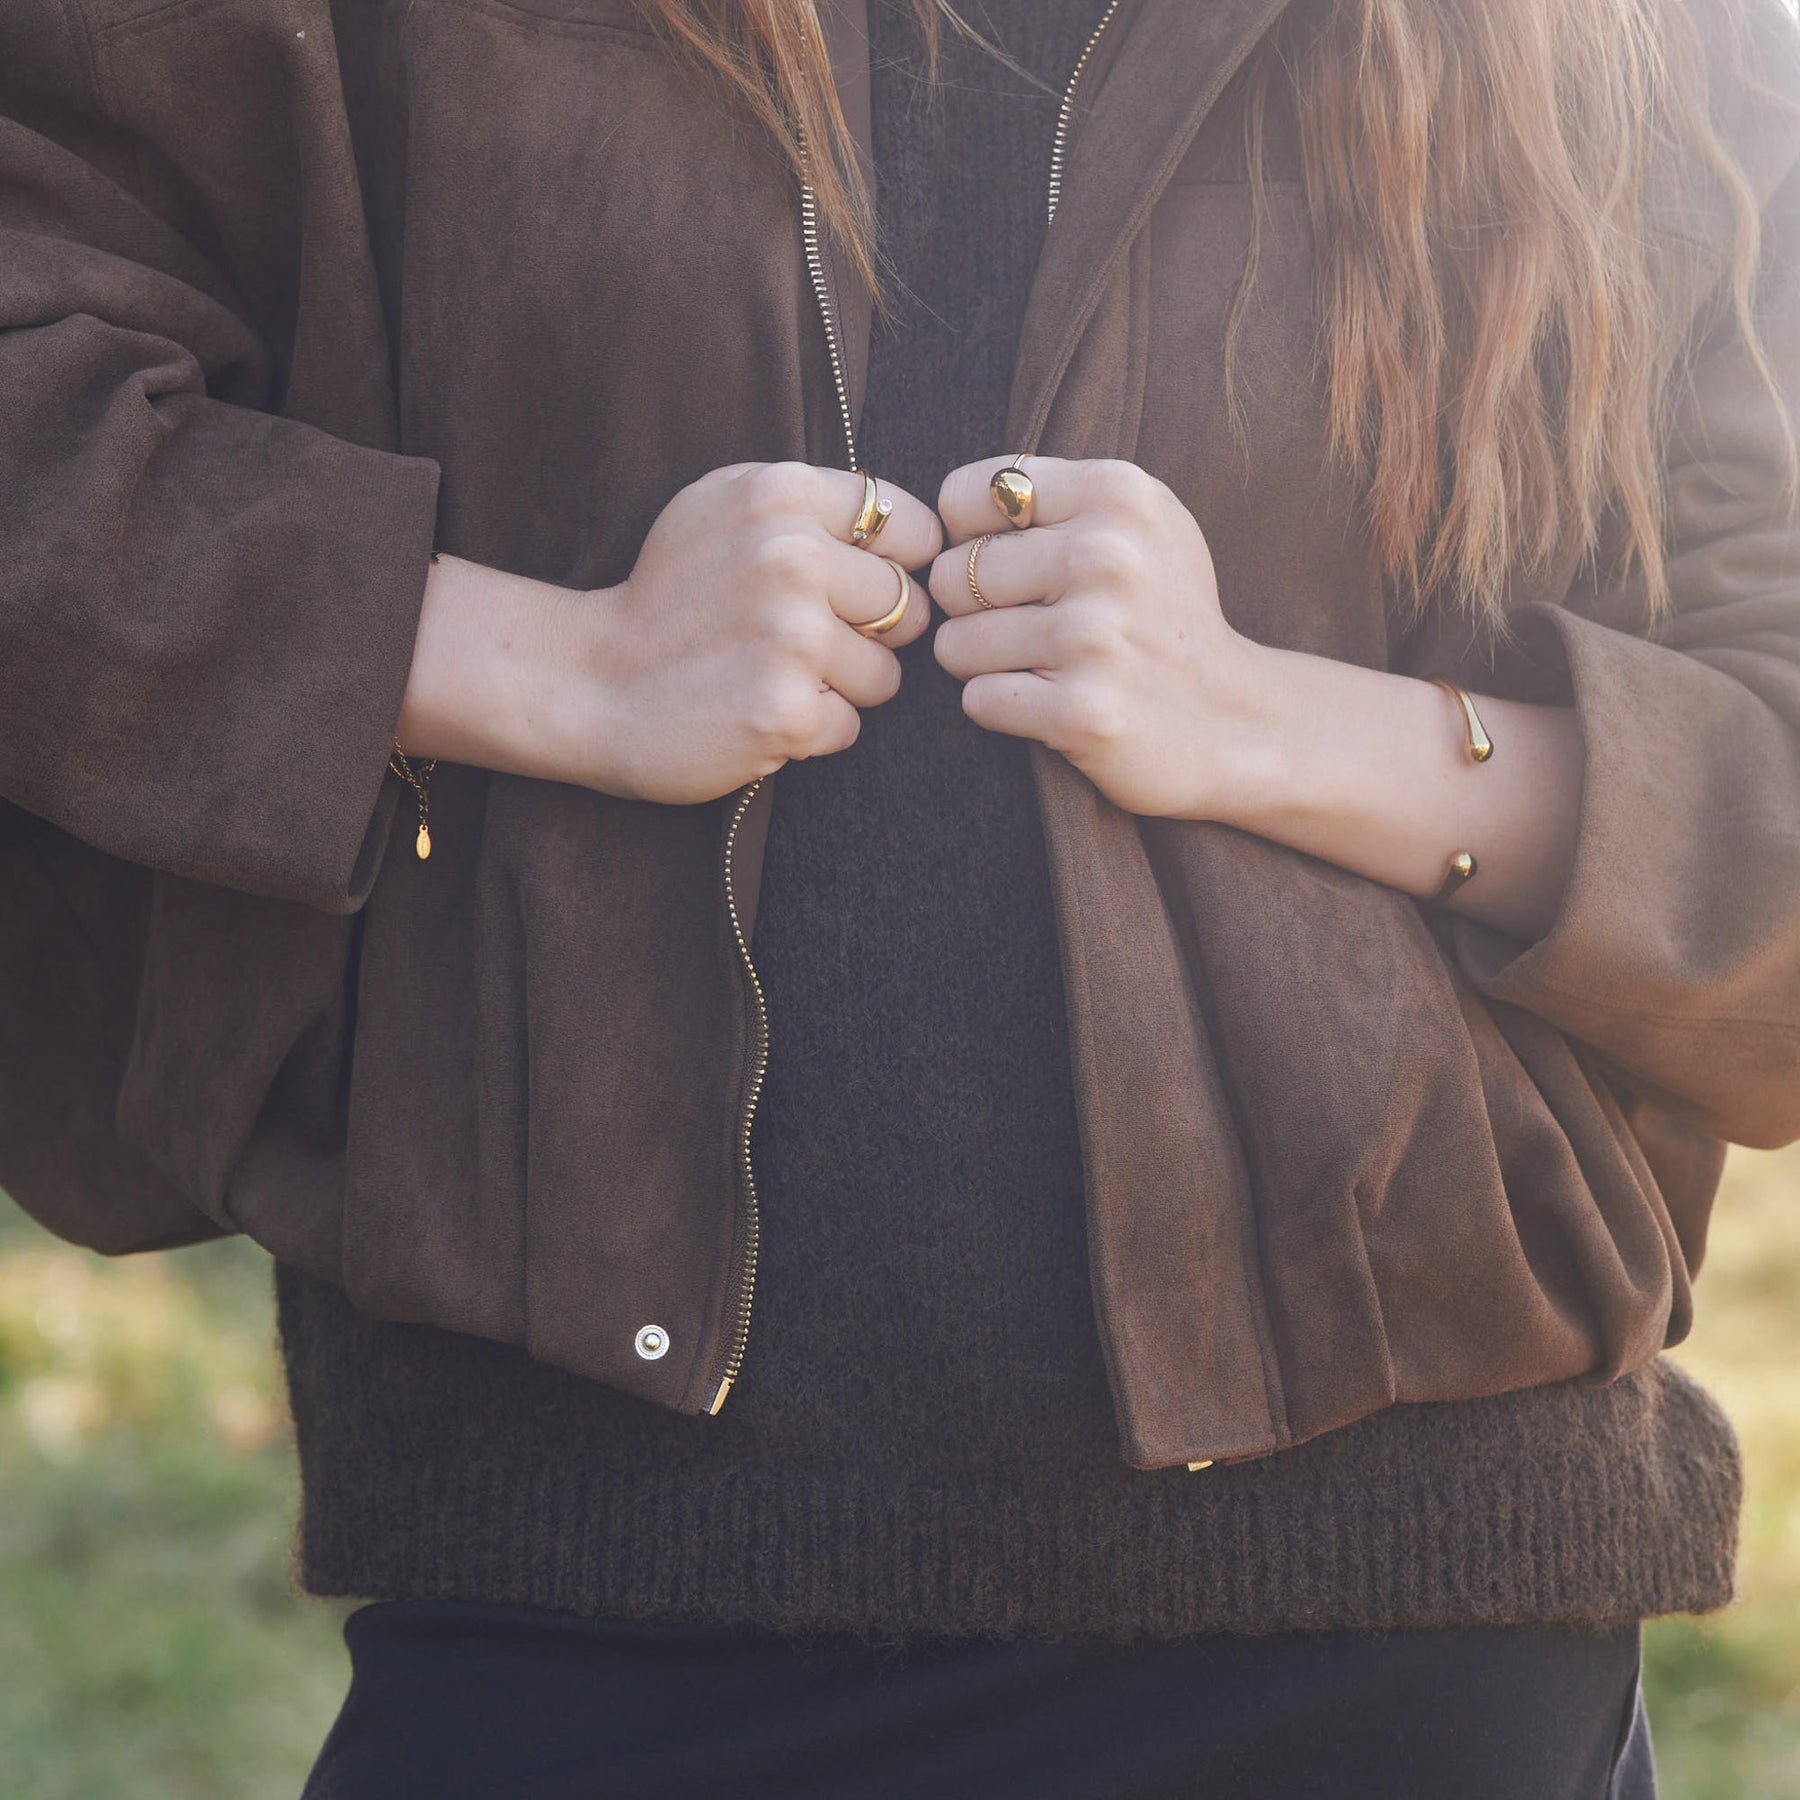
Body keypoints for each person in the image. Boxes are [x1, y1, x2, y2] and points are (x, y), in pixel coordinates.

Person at [4, 0, 1799, 1793]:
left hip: (1413, 1629)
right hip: (566, 1591)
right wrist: (558, 663)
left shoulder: (1639, 41)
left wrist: (1269, 720)